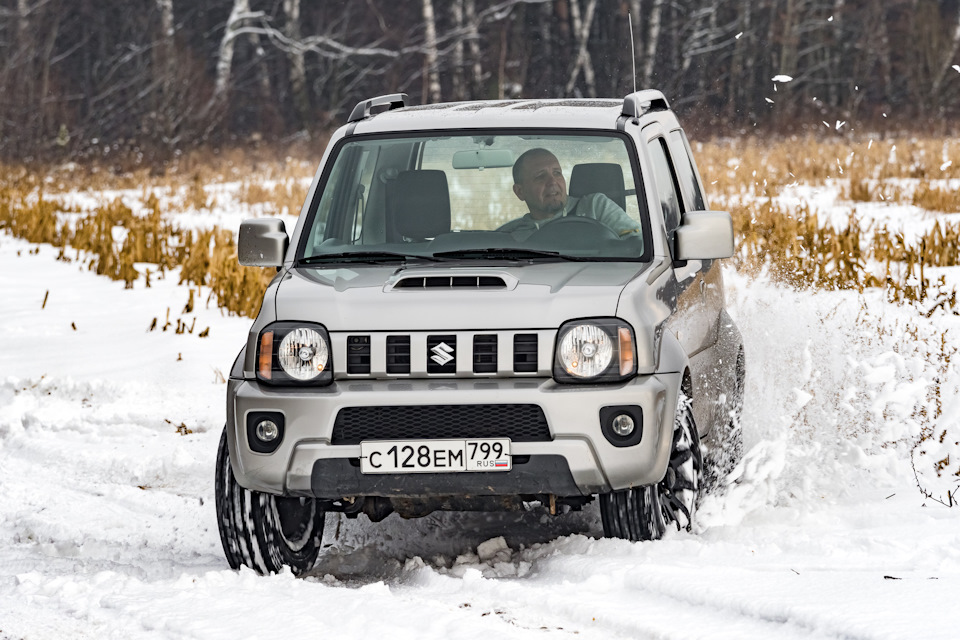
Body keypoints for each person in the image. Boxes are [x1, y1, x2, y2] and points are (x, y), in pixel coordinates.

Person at [498, 148, 641, 241]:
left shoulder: (596, 207)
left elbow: (636, 243)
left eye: (557, 173)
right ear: (520, 192)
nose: (552, 182)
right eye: (541, 176)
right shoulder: (509, 237)